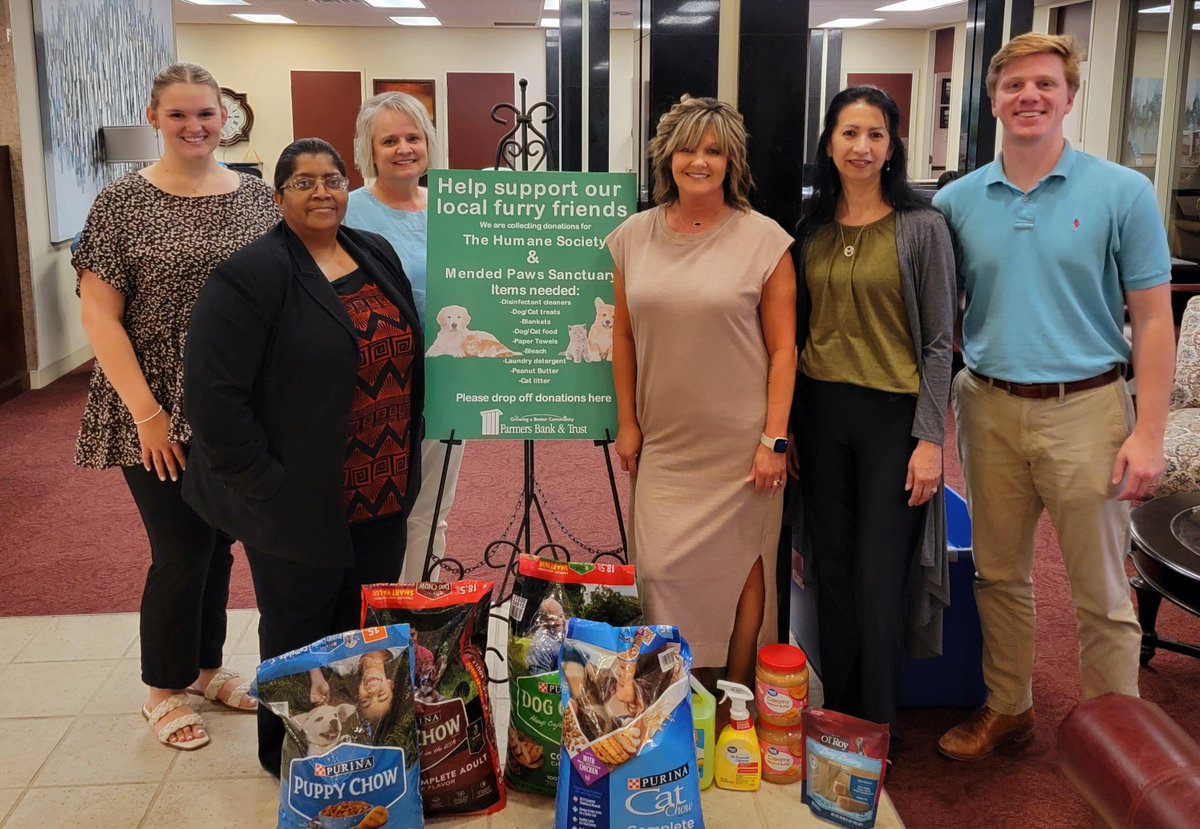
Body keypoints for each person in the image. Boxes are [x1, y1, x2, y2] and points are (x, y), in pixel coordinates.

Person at [933, 33, 1174, 761]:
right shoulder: (955, 201)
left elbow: (1156, 318)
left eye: (1044, 84)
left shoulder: (1122, 193)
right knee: (999, 573)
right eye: (1013, 86)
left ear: (1069, 97)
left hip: (1089, 408)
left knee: (1100, 590)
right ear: (994, 99)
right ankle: (1009, 706)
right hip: (986, 407)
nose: (1029, 97)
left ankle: (1117, 740)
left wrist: (1150, 432)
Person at [182, 138, 425, 775]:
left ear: (350, 186)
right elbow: (212, 395)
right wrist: (263, 483)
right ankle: (291, 758)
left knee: (360, 626)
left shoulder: (373, 252)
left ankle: (358, 746)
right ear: (278, 194)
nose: (321, 192)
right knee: (301, 629)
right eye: (303, 182)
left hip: (381, 485)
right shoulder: (252, 274)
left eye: (332, 179)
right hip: (298, 496)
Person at [73, 63, 278, 752]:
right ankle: (162, 688)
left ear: (226, 120)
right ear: (155, 117)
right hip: (151, 400)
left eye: (207, 114)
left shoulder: (256, 198)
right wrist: (149, 415)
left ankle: (205, 667)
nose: (195, 126)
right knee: (180, 548)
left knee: (221, 542)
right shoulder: (121, 202)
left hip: (232, 402)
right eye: (180, 114)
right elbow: (101, 318)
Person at [607, 96, 796, 693]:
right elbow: (623, 333)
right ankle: (674, 692)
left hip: (742, 445)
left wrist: (774, 438)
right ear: (666, 156)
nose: (699, 161)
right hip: (666, 437)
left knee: (742, 571)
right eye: (687, 148)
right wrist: (627, 422)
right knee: (659, 569)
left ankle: (734, 693)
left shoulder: (765, 241)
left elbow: (785, 351)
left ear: (731, 161)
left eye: (713, 150)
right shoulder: (633, 237)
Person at [790, 86, 956, 735]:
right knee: (831, 572)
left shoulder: (923, 228)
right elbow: (801, 334)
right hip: (821, 416)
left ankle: (876, 728)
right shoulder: (812, 230)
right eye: (849, 134)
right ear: (829, 144)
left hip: (893, 420)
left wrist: (930, 438)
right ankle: (837, 716)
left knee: (879, 577)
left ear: (892, 148)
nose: (862, 147)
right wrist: (794, 427)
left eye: (875, 135)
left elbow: (941, 341)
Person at [344, 92, 462, 583]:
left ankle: (420, 612)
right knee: (372, 504)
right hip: (370, 384)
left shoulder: (456, 210)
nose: (403, 148)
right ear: (368, 150)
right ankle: (369, 615)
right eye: (388, 140)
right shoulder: (345, 212)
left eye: (414, 137)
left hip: (445, 376)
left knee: (432, 503)